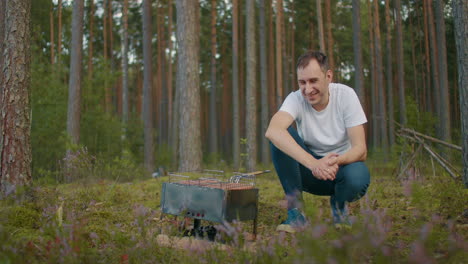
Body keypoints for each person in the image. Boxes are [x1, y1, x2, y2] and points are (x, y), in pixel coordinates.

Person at [265, 51, 370, 233]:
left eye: (313, 81)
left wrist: (334, 161)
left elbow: (360, 150)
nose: (307, 89)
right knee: (281, 135)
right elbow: (273, 131)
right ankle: (296, 213)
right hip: (309, 172)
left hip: (340, 169)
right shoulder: (295, 98)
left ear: (328, 76)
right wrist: (314, 164)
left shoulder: (346, 96)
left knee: (357, 177)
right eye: (302, 82)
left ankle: (339, 208)